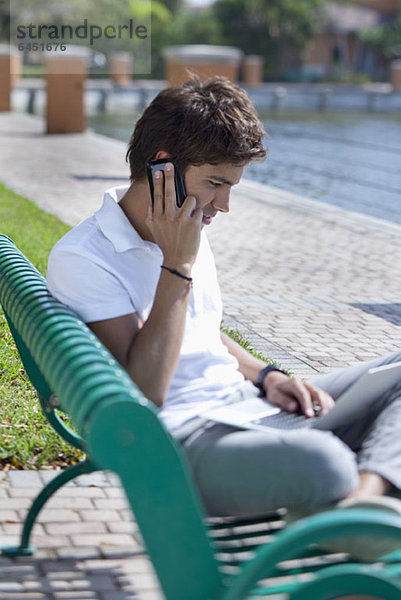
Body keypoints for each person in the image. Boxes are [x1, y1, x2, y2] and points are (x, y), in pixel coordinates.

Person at [47, 76, 401, 560]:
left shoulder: (185, 223)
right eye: (216, 183)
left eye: (230, 187)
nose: (224, 205)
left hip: (247, 407)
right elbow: (146, 390)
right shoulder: (87, 258)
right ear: (161, 167)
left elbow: (203, 332)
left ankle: (362, 500)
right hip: (186, 442)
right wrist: (177, 266)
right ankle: (355, 510)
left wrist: (268, 374)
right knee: (324, 462)